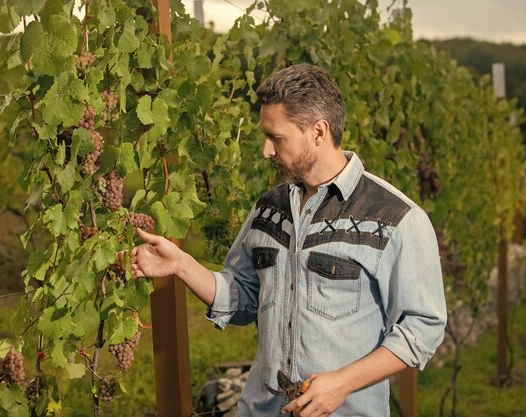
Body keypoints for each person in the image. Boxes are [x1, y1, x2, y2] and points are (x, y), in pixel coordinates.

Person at [130, 64, 447, 417]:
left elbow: (422, 326)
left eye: (276, 138)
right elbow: (245, 297)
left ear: (318, 132)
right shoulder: (269, 208)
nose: (266, 150)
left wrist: (343, 382)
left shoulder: (394, 217)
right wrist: (182, 264)